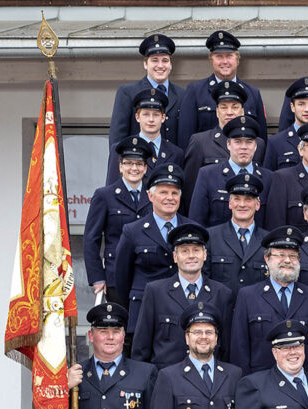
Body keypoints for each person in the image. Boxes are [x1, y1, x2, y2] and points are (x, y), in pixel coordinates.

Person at [115, 163, 198, 340]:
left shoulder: (193, 229)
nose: (170, 198)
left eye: (174, 193)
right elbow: (122, 279)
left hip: (183, 314)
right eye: (163, 192)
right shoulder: (132, 231)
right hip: (143, 314)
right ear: (150, 196)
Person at [132, 223, 234, 366]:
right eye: (184, 251)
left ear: (204, 255)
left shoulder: (222, 294)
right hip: (165, 380)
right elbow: (141, 347)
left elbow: (226, 347)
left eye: (196, 250)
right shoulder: (155, 292)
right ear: (175, 256)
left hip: (208, 381)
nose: (191, 256)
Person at [230, 227, 308, 376]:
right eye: (280, 255)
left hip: (303, 386)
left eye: (293, 256)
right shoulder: (247, 296)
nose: (287, 260)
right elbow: (239, 348)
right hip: (260, 386)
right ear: (267, 259)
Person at [85, 136, 153, 303]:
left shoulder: (154, 196)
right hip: (115, 276)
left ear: (145, 168)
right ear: (120, 166)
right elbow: (90, 239)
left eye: (138, 164)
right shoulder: (104, 195)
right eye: (128, 163)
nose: (134, 168)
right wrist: (97, 277)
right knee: (119, 327)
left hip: (148, 276)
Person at [181, 81, 266, 209]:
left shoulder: (258, 144)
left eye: (235, 106)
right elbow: (190, 193)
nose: (229, 112)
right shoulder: (200, 142)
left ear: (242, 111)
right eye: (224, 107)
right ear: (217, 111)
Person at [177, 30, 267, 149]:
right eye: (219, 56)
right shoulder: (195, 91)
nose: (224, 61)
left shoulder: (253, 93)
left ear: (237, 59)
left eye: (229, 56)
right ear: (211, 59)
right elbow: (185, 138)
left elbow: (261, 140)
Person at [188, 115, 272, 229]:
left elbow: (272, 224)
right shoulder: (208, 175)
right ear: (228, 144)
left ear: (256, 145)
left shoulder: (269, 178)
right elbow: (197, 221)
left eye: (249, 142)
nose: (244, 147)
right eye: (238, 142)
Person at [109, 34, 182, 149]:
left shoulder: (183, 94)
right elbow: (117, 138)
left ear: (171, 64)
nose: (160, 65)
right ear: (145, 64)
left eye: (165, 60)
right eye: (154, 60)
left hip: (173, 164)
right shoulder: (127, 92)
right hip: (138, 164)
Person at [203, 172, 269, 297]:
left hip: (256, 313)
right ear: (230, 203)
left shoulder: (268, 241)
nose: (242, 205)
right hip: (221, 310)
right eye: (237, 199)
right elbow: (204, 280)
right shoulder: (210, 237)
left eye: (248, 199)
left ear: (257, 205)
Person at [105, 88, 185, 186]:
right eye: (146, 114)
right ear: (137, 117)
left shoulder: (176, 153)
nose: (151, 120)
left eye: (156, 115)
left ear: (163, 118)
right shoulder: (119, 150)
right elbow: (111, 190)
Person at [264, 77, 308, 172]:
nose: (307, 109)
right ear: (292, 107)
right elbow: (270, 180)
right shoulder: (276, 143)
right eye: (301, 104)